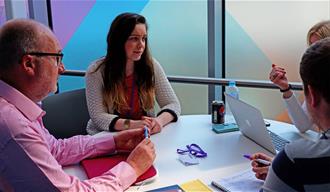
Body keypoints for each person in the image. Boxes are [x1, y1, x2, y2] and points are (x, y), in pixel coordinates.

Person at [0, 19, 156, 191]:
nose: (62, 69)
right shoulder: (13, 126)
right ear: (29, 64)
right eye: (57, 58)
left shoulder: (17, 107)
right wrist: (133, 167)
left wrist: (114, 142)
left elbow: (54, 149)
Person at [251, 38, 330, 191]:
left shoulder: (295, 158)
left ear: (311, 95)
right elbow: (303, 124)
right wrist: (281, 173)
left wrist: (284, 169)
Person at [85, 13, 181, 135]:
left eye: (143, 38)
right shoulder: (96, 71)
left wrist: (159, 121)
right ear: (119, 41)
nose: (141, 45)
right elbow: (98, 117)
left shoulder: (151, 66)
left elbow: (173, 104)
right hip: (106, 138)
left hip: (142, 135)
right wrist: (132, 125)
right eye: (134, 38)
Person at [270, 20, 330, 133]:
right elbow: (304, 125)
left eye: (318, 46)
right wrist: (285, 89)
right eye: (311, 47)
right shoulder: (316, 80)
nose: (314, 53)